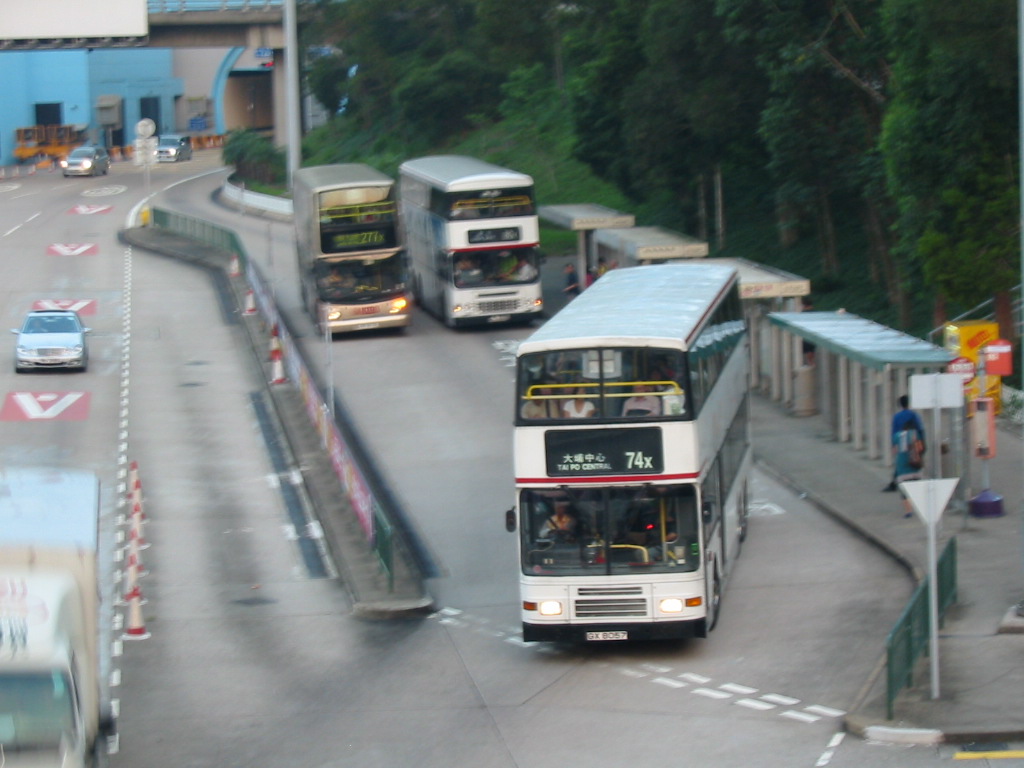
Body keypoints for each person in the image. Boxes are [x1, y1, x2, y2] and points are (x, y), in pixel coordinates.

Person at [884, 395, 925, 491]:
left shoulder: (897, 416)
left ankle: (895, 482)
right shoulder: (914, 415)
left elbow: (894, 432)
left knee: (901, 461)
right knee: (914, 459)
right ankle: (913, 478)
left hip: (901, 442)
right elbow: (920, 429)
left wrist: (894, 445)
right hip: (913, 441)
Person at [893, 425, 924, 518]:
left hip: (902, 467)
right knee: (916, 486)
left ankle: (908, 511)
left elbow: (895, 450)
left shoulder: (896, 436)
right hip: (914, 466)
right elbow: (920, 448)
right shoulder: (915, 434)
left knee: (904, 490)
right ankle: (919, 508)